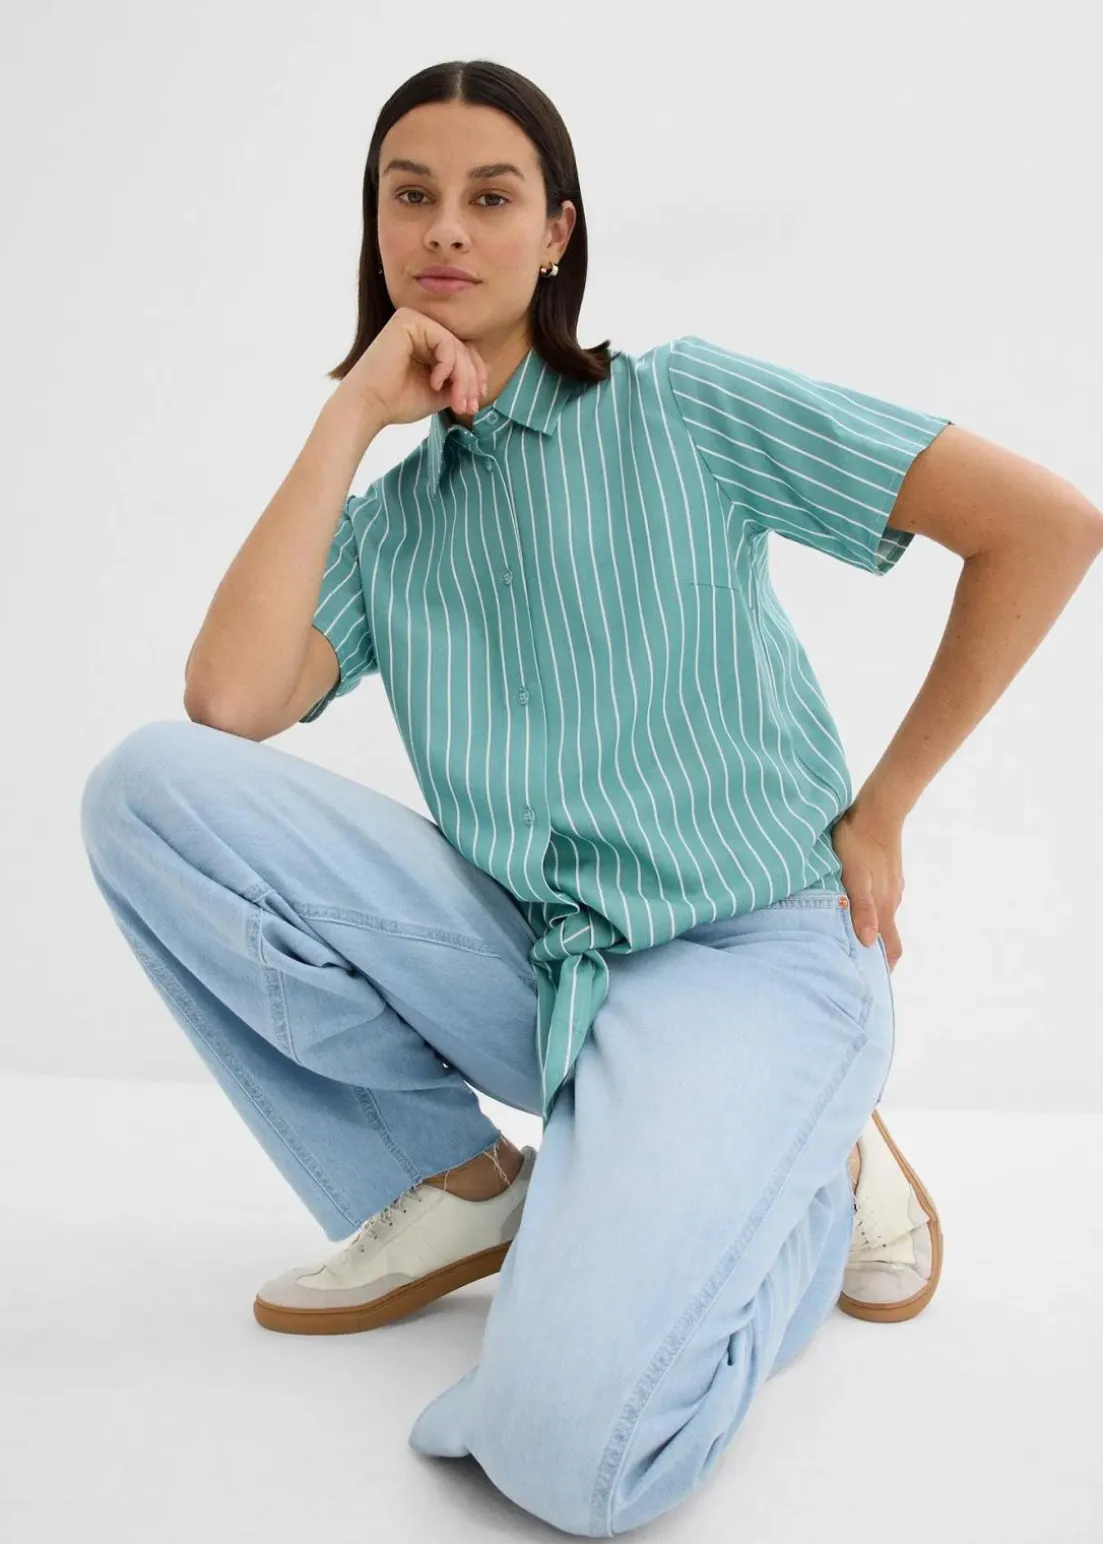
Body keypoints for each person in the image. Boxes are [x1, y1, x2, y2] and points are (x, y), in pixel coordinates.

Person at [81, 56, 1102, 1539]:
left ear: (558, 231)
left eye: (491, 197)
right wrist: (349, 417)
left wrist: (882, 810)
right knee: (145, 795)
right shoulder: (392, 525)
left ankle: (803, 1183)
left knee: (564, 1456)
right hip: (543, 967)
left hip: (747, 958)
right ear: (376, 228)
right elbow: (227, 704)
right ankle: (458, 1185)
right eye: (410, 197)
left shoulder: (680, 405)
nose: (446, 228)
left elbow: (1043, 527)